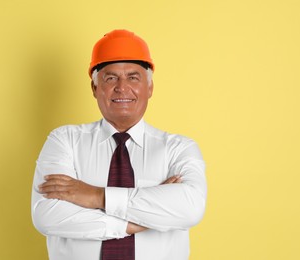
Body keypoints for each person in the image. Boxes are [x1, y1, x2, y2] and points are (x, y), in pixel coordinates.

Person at [31, 29, 207, 260]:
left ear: (150, 87)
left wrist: (96, 196)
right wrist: (137, 221)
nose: (122, 87)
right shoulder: (65, 141)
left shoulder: (179, 148)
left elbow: (189, 208)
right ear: (95, 88)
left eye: (133, 77)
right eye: (111, 78)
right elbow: (48, 215)